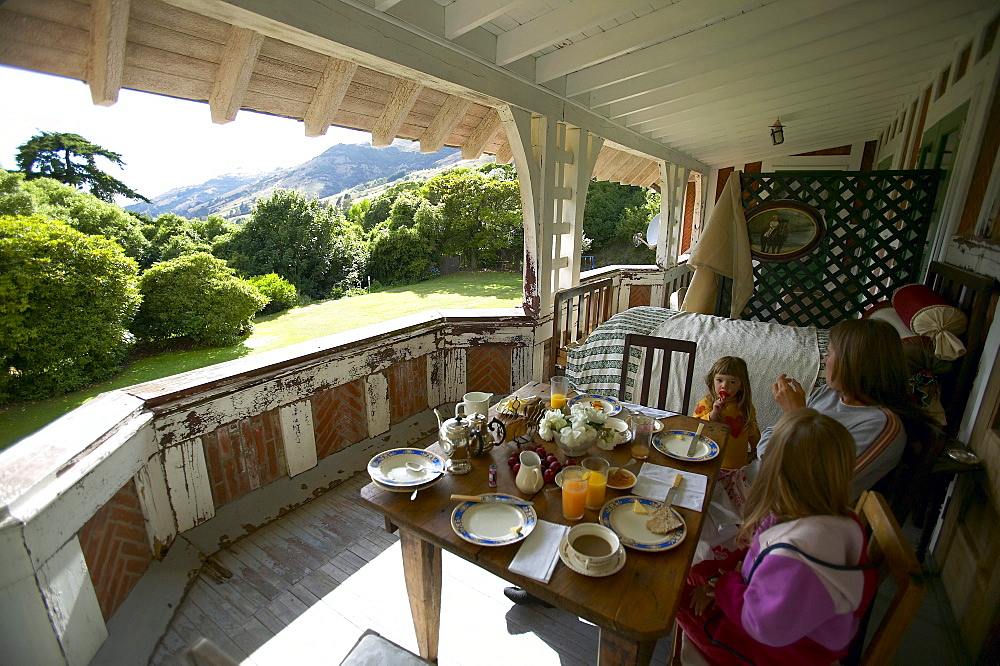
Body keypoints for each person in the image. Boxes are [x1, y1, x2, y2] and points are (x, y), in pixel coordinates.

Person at [676, 408, 877, 665]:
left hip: (779, 652)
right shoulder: (837, 519)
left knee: (669, 594)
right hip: (784, 621)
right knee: (694, 571)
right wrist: (720, 577)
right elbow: (759, 559)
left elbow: (762, 624)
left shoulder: (800, 556)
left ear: (777, 473)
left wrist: (725, 588)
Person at [692, 356, 761, 471]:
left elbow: (753, 432)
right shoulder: (706, 403)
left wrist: (757, 449)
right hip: (711, 464)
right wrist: (714, 413)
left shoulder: (746, 407)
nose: (724, 385)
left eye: (732, 382)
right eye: (719, 380)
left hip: (738, 466)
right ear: (712, 381)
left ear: (741, 386)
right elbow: (695, 428)